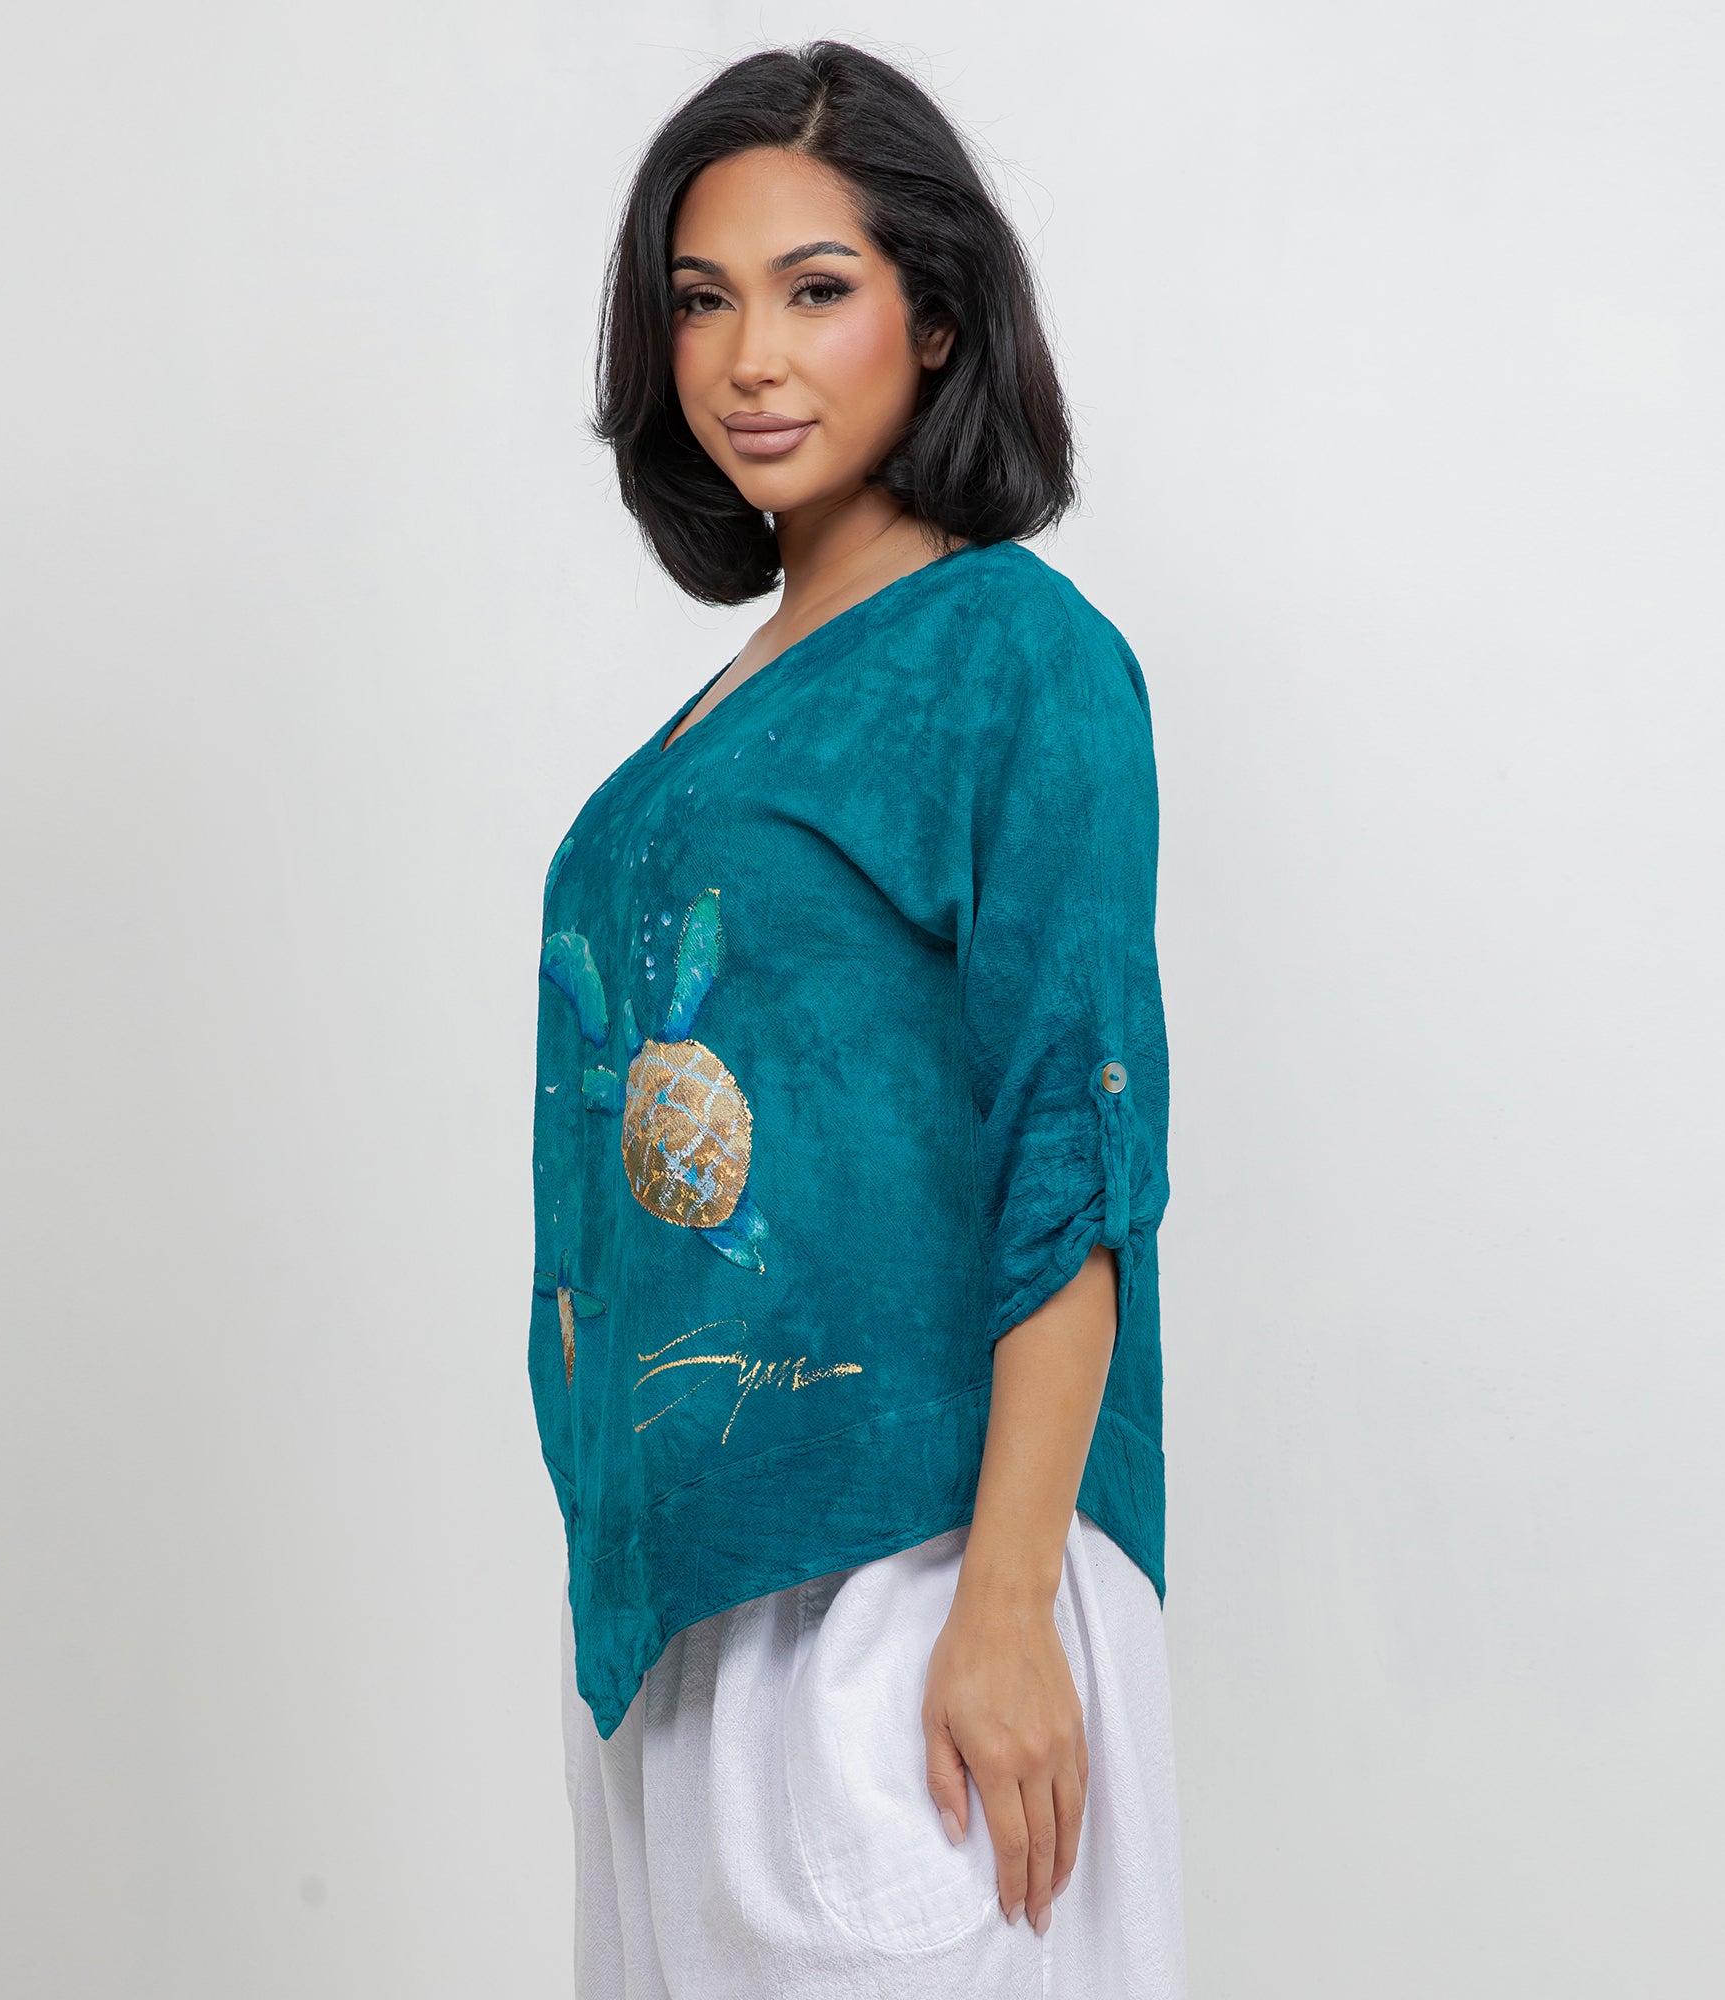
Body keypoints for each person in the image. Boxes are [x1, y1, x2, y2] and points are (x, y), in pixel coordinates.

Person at [527, 40, 1185, 1997]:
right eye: (702, 299)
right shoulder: (689, 742)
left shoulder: (1011, 653)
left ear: (938, 317)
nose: (750, 358)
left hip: (915, 1577)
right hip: (673, 1619)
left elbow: (1077, 1139)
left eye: (814, 289)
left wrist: (1005, 1608)